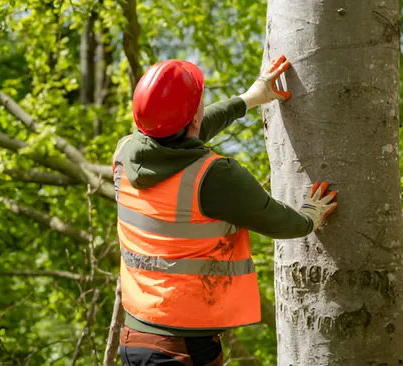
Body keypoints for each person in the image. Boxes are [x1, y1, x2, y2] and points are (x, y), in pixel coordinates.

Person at [113, 54, 338, 366]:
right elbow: (278, 220)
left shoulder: (126, 155)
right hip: (181, 351)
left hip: (134, 339)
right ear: (192, 119)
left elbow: (182, 136)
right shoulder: (212, 176)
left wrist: (249, 99)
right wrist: (308, 218)